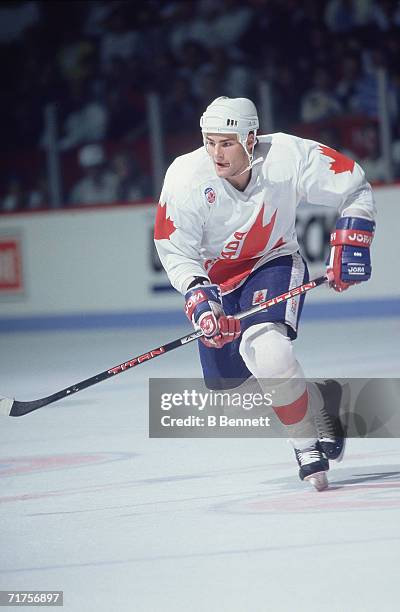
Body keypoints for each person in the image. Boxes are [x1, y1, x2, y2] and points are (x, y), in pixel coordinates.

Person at [154, 96, 376, 491]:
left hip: (271, 264)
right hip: (216, 282)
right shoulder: (185, 177)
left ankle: (306, 447)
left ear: (251, 138)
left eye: (226, 143)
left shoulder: (288, 155)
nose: (215, 154)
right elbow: (176, 250)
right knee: (228, 387)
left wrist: (351, 243)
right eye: (209, 142)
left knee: (269, 352)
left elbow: (354, 183)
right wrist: (201, 303)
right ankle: (319, 399)